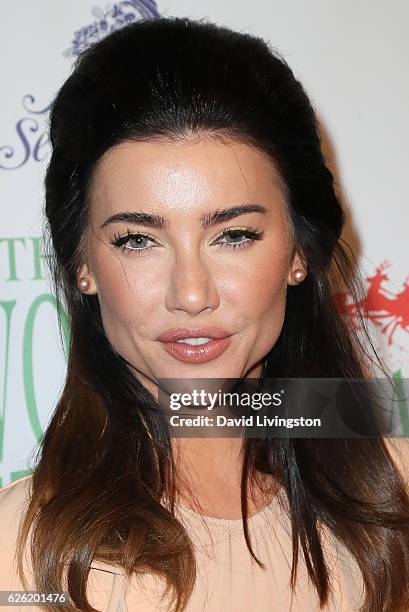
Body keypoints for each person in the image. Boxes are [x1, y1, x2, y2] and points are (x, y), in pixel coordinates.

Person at [1, 15, 409, 612]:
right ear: (81, 263)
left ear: (298, 252)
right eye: (137, 240)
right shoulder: (22, 550)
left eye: (234, 235)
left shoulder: (393, 495)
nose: (190, 295)